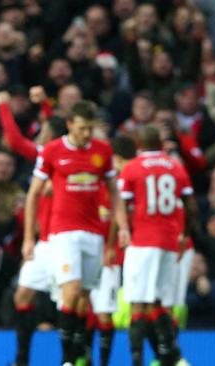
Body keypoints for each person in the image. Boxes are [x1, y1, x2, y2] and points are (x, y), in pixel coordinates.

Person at [27, 100, 116, 366]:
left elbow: (114, 194)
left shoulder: (102, 151)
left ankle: (79, 351)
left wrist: (119, 229)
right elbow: (33, 194)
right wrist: (28, 238)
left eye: (90, 128)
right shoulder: (53, 151)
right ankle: (66, 359)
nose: (86, 134)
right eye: (81, 128)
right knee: (72, 290)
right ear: (69, 125)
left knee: (84, 296)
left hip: (93, 232)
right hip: (62, 232)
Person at [0, 86, 64, 366]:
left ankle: (73, 357)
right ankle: (22, 360)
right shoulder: (55, 154)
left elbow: (13, 140)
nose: (41, 131)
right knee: (23, 293)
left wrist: (3, 105)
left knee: (71, 303)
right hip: (45, 242)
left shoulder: (48, 154)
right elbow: (55, 125)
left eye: (44, 128)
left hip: (63, 239)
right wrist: (44, 104)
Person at [117, 125, 195, 366]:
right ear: (161, 143)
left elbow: (121, 202)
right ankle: (169, 356)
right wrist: (184, 234)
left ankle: (138, 361)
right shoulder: (175, 166)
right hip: (170, 242)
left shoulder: (132, 167)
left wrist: (123, 228)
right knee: (160, 303)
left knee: (138, 303)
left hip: (143, 241)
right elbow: (191, 205)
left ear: (139, 143)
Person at [89, 134, 137, 366]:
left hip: (111, 258)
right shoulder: (97, 184)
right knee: (83, 308)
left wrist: (110, 248)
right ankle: (80, 358)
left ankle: (103, 362)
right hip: (88, 252)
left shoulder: (121, 186)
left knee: (104, 312)